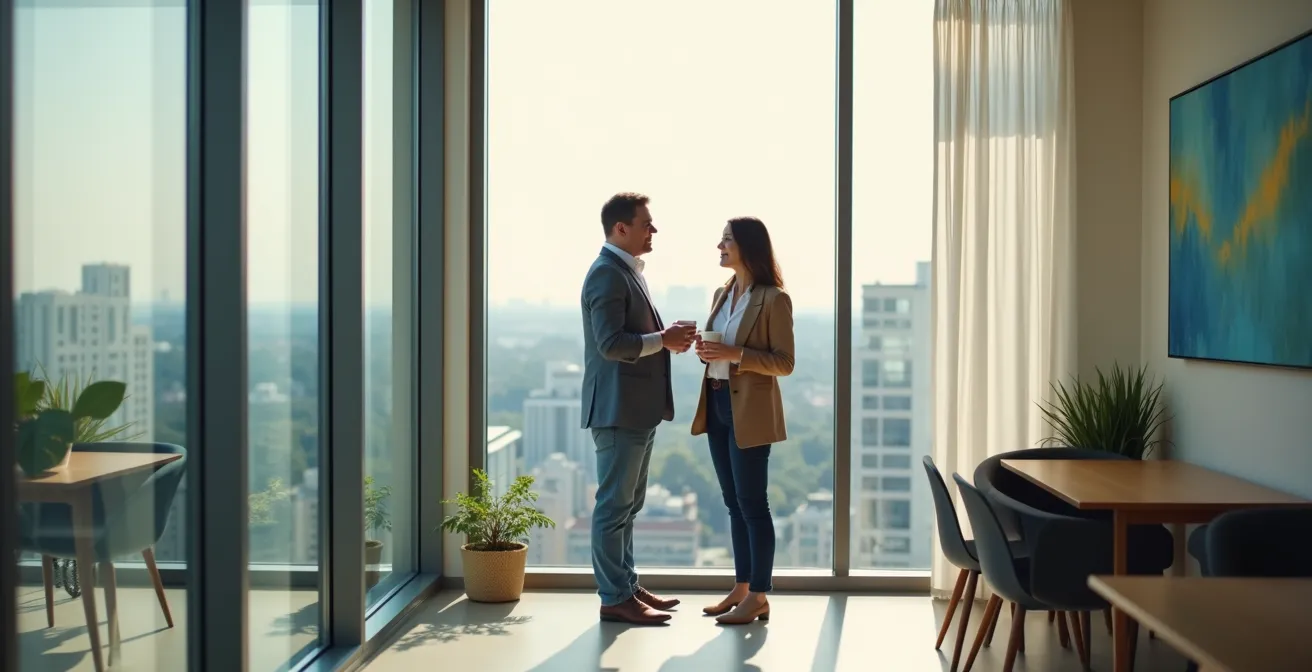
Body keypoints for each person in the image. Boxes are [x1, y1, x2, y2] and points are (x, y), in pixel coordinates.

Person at [581, 192, 697, 625]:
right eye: (647, 223)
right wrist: (662, 340)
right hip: (617, 410)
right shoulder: (606, 275)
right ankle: (614, 598)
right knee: (613, 506)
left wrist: (665, 338)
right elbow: (610, 345)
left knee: (628, 506)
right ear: (620, 228)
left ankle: (626, 586)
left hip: (635, 409)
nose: (654, 230)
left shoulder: (626, 273)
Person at [690, 216, 794, 626]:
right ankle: (742, 587)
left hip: (749, 411)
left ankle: (761, 595)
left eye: (727, 240)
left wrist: (734, 355)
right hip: (716, 404)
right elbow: (719, 349)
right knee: (733, 504)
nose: (719, 246)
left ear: (747, 247)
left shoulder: (774, 299)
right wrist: (706, 350)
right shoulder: (722, 292)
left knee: (753, 505)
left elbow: (784, 363)